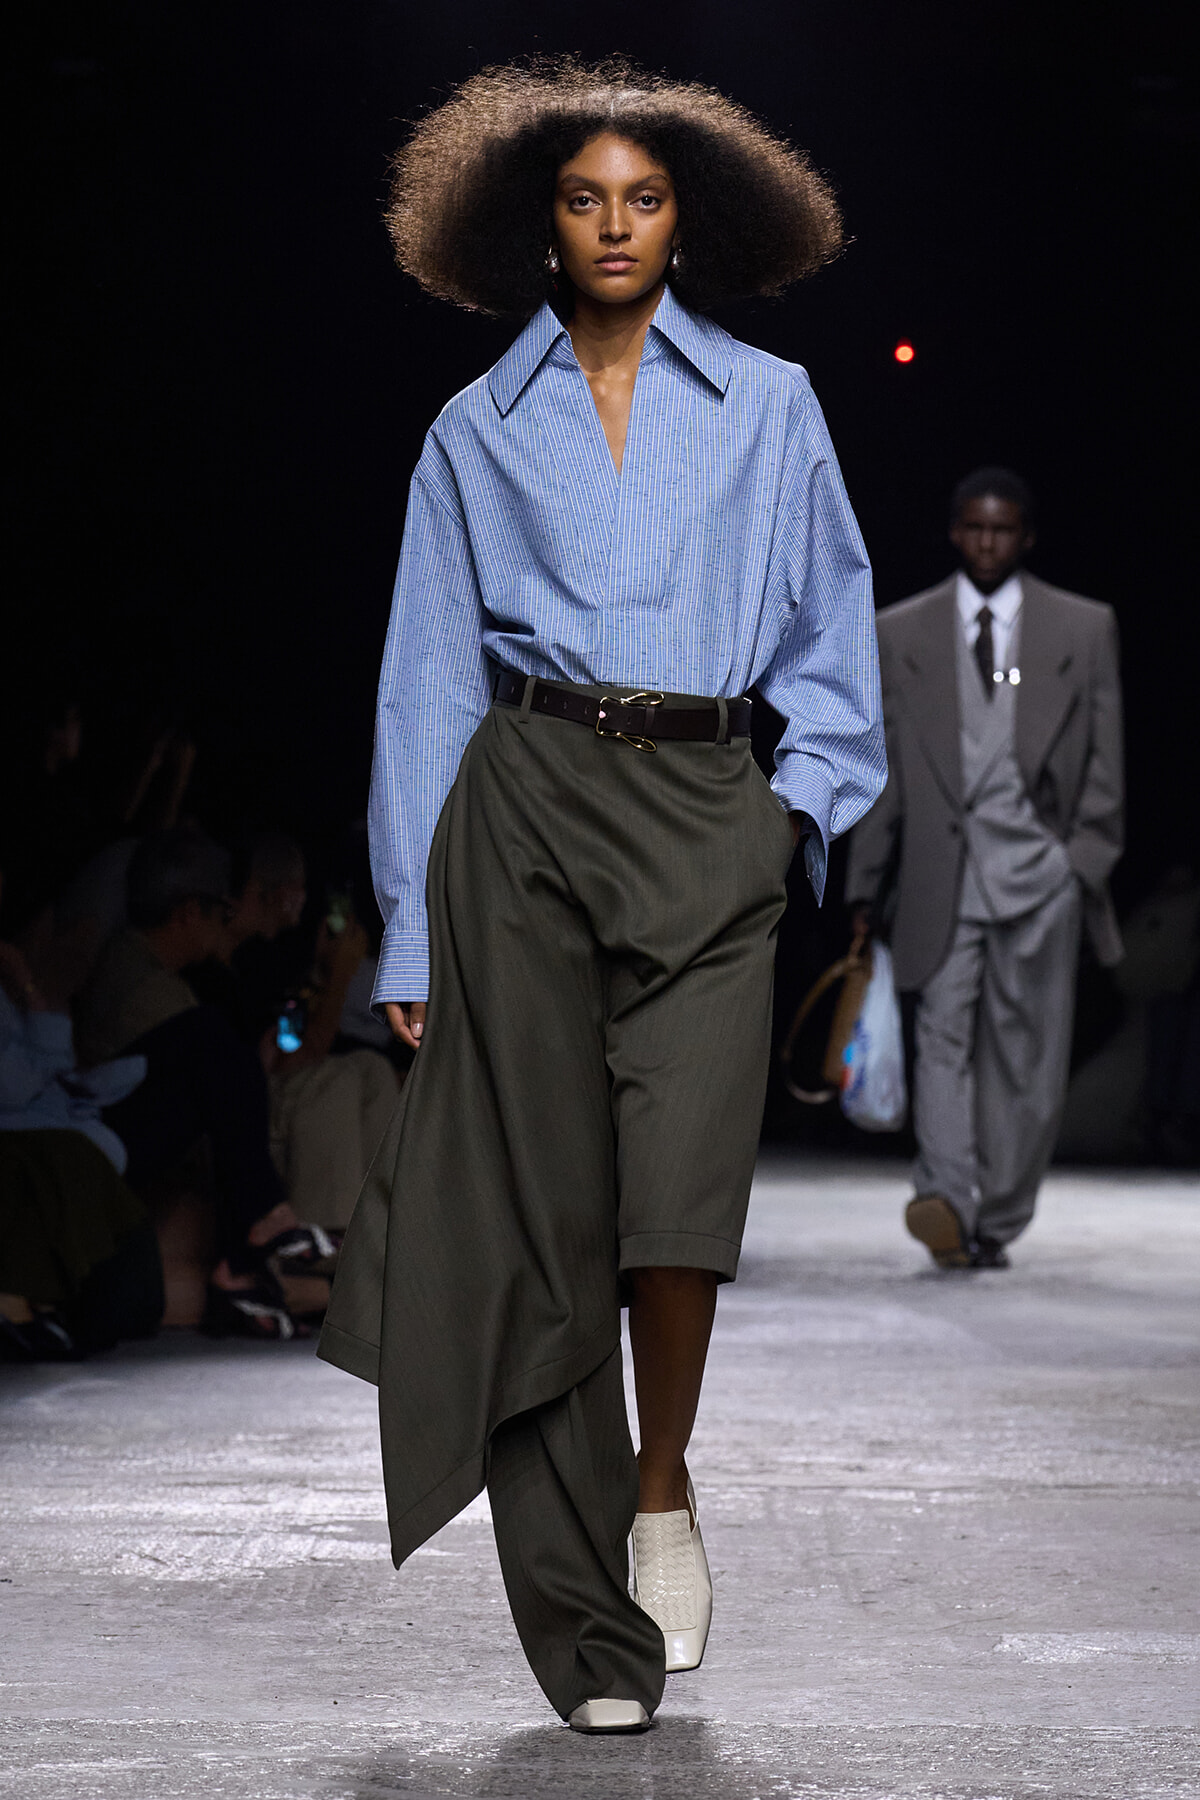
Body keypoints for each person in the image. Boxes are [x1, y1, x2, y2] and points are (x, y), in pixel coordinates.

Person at [318, 58, 884, 1735]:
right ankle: (583, 1627)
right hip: (531, 812)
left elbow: (833, 634)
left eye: (643, 197)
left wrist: (793, 813)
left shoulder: (772, 405)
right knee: (542, 1224)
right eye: (585, 198)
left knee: (680, 1195)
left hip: (709, 807)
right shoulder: (474, 429)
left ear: (687, 220)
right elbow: (425, 684)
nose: (616, 224)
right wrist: (413, 928)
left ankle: (660, 1486)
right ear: (538, 225)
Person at [846, 468, 1124, 1269]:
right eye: (974, 528)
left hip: (1042, 875)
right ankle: (947, 1199)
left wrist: (1084, 861)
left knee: (1027, 1056)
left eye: (1002, 530)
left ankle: (994, 1215)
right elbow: (888, 769)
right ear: (954, 531)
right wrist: (869, 883)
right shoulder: (903, 632)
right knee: (941, 1036)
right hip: (945, 873)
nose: (987, 543)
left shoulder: (1082, 627)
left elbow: (1105, 761)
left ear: (1026, 536)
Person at [74, 827, 327, 1337]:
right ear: (190, 912)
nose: (227, 920)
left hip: (119, 1133)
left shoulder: (156, 973)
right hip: (102, 1139)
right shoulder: (140, 982)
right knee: (210, 1039)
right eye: (218, 910)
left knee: (215, 1042)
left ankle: (256, 1248)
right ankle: (265, 1237)